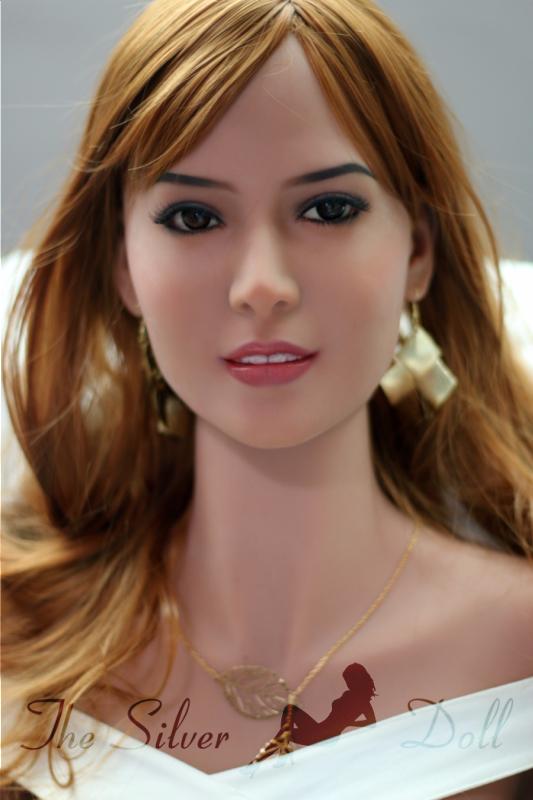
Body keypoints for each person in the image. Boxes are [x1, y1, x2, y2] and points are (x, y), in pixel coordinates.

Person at [2, 0, 532, 797]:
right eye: (193, 216)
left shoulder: (516, 650)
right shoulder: (18, 633)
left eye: (328, 209)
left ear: (418, 250)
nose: (261, 286)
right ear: (121, 264)